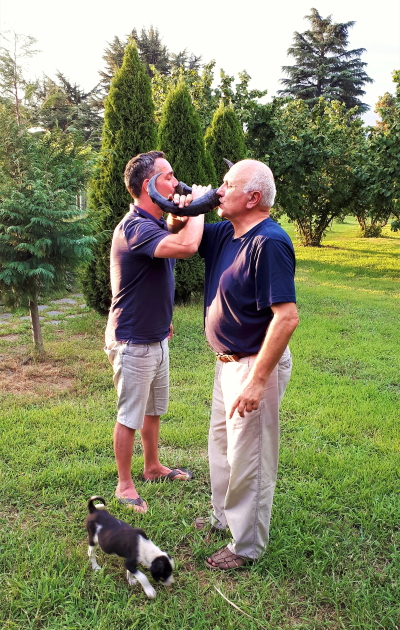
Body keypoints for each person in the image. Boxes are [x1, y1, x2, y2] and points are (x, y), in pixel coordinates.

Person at [197, 159, 299, 569]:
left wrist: (258, 381)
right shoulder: (225, 232)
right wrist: (188, 203)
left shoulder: (269, 242)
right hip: (227, 363)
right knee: (222, 447)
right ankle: (224, 519)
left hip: (255, 365)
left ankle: (246, 546)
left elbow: (287, 316)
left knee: (249, 456)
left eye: (227, 185)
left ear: (253, 197)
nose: (220, 190)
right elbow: (179, 236)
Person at [105, 151, 207, 513]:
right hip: (133, 339)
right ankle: (124, 484)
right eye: (169, 176)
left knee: (153, 410)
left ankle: (151, 467)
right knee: (130, 414)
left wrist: (180, 217)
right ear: (149, 186)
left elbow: (172, 232)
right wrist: (197, 208)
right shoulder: (134, 226)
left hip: (156, 334)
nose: (178, 183)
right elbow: (186, 246)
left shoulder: (150, 222)